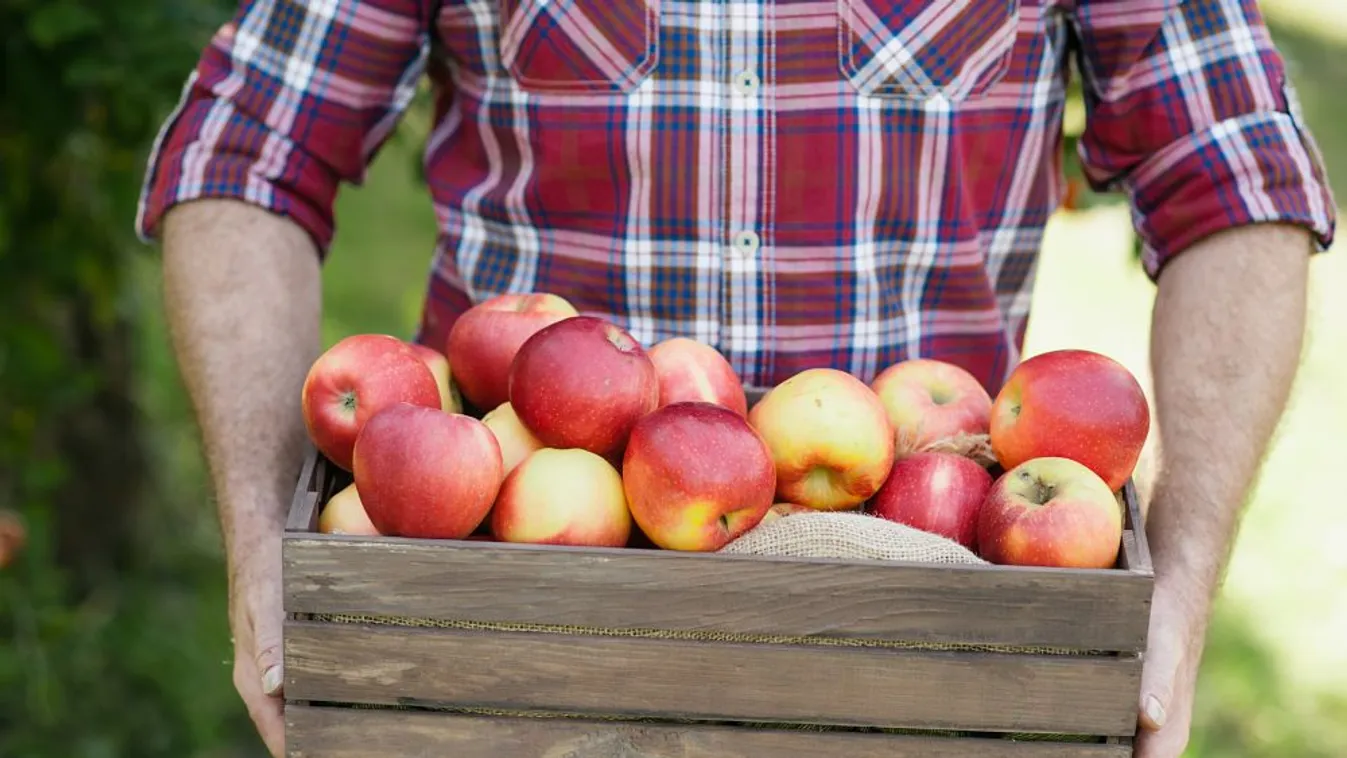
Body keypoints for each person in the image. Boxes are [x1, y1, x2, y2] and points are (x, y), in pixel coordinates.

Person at [137, 0, 1335, 755]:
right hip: (506, 620)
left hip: (925, 627)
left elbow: (1236, 175)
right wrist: (261, 545)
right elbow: (246, 146)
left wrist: (1177, 590)